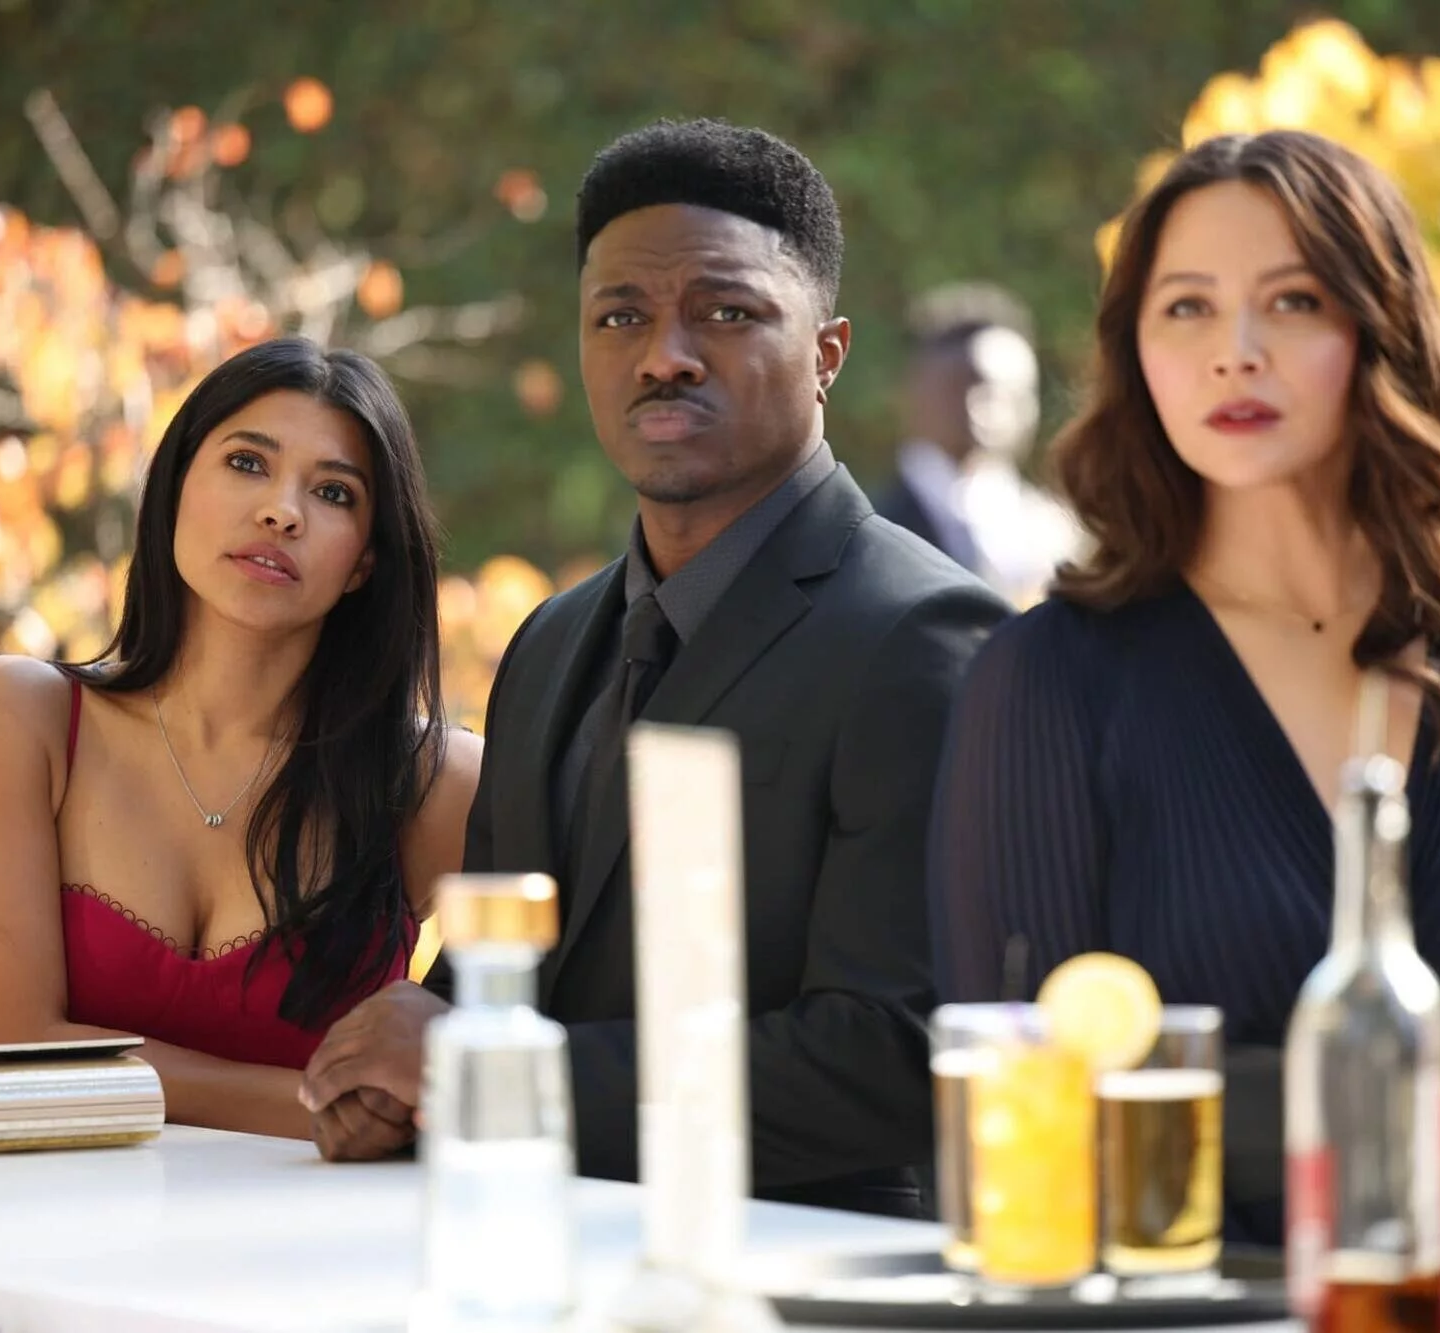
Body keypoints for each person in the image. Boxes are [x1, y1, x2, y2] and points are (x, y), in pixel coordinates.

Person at [926, 130, 1440, 1247]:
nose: (1235, 352)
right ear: (1137, 352)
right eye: (1187, 308)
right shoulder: (1047, 684)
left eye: (1293, 301)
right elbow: (1023, 1127)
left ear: (1380, 326)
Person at [296, 119, 1010, 1218]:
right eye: (620, 316)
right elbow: (497, 983)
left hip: (789, 1264)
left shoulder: (927, 635)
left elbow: (891, 1056)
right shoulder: (548, 643)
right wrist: (388, 1084)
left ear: (827, 354)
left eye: (725, 313)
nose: (663, 355)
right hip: (518, 1253)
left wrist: (484, 1072)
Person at [0, 338, 480, 1140]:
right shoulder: (16, 717)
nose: (282, 510)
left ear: (364, 560)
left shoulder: (433, 783)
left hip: (325, 1224)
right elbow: (11, 1052)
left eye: (333, 492)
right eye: (248, 463)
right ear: (176, 483)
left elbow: (538, 1044)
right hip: (54, 1214)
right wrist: (320, 1106)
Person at [872, 281, 1085, 607]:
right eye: (961, 386)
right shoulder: (867, 533)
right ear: (913, 392)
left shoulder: (1057, 535)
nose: (984, 406)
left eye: (1009, 393)